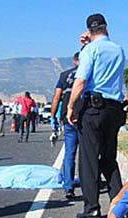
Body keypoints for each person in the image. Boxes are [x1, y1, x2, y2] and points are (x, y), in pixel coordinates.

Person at [67, 13, 126, 218]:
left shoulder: (90, 50)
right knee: (109, 158)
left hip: (93, 108)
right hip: (114, 108)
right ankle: (119, 205)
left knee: (89, 158)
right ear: (106, 27)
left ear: (89, 31)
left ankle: (92, 206)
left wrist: (71, 107)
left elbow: (81, 80)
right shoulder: (118, 49)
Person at [50, 52, 81, 199]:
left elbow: (56, 97)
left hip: (68, 118)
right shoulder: (91, 74)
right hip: (85, 117)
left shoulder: (64, 75)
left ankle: (68, 186)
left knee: (70, 153)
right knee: (88, 154)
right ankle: (90, 186)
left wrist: (53, 117)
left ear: (74, 61)